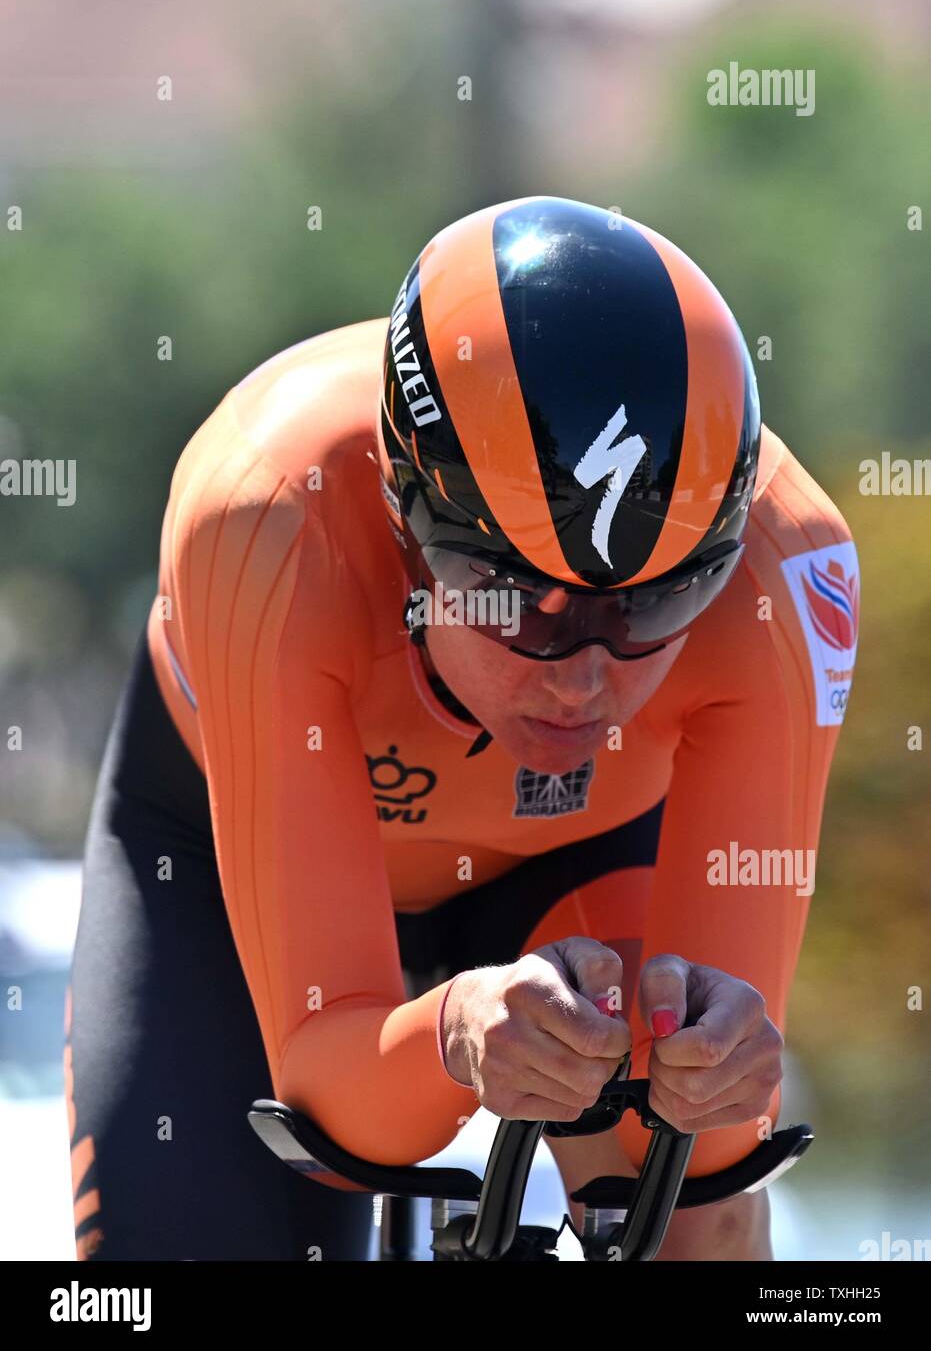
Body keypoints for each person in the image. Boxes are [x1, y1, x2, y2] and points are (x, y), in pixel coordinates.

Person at [65, 195, 859, 1261]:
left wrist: (717, 1076)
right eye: (527, 606)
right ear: (406, 521)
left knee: (693, 1210)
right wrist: (451, 1034)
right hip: (212, 857)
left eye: (655, 605)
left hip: (575, 860)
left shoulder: (787, 567)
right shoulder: (266, 512)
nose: (588, 678)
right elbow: (333, 1101)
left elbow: (713, 1139)